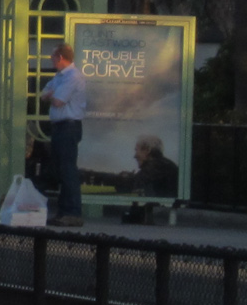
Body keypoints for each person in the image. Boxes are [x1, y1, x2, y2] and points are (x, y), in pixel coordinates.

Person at [40, 44, 88, 226]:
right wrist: (51, 95)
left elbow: (58, 101)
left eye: (52, 57)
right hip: (60, 126)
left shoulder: (73, 77)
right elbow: (45, 93)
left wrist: (51, 95)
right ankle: (63, 211)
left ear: (60, 57)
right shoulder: (60, 77)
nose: (51, 61)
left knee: (68, 169)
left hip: (69, 126)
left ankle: (73, 211)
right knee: (61, 169)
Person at [85, 134, 179, 197]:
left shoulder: (156, 166)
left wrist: (98, 177)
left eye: (136, 150)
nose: (134, 156)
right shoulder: (162, 165)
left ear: (147, 150)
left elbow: (132, 185)